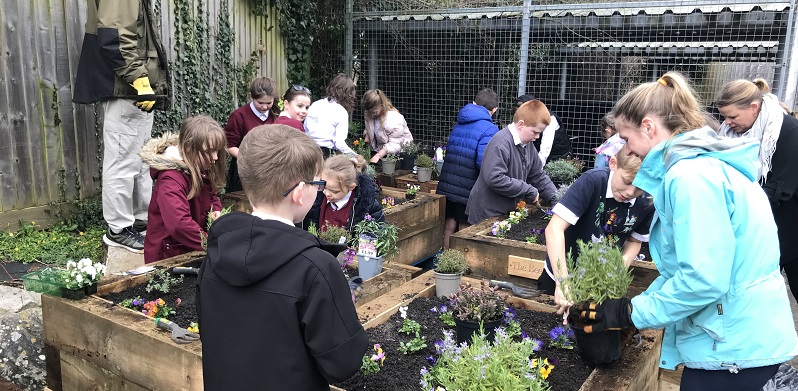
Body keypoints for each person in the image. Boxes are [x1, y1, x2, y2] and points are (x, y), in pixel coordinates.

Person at [574, 72, 798, 390]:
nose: (625, 148)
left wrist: (628, 314)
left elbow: (703, 280)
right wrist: (629, 310)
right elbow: (686, 269)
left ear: (649, 127)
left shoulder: (692, 178)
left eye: (626, 138)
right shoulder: (702, 166)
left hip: (733, 341)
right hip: (739, 330)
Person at [198, 124, 368, 389]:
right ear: (299, 192)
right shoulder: (316, 269)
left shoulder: (216, 254)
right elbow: (343, 363)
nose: (321, 191)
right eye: (318, 184)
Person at [72, 0, 170, 252]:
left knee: (140, 161)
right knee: (122, 163)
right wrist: (139, 79)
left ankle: (138, 222)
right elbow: (113, 37)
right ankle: (118, 229)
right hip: (127, 88)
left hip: (133, 91)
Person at [541, 144, 654, 307]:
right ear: (613, 164)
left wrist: (619, 267)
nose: (630, 192)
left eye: (640, 188)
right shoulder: (593, 181)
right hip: (562, 273)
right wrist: (563, 283)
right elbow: (554, 229)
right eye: (627, 181)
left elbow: (634, 241)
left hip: (600, 283)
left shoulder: (647, 201)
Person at [716, 78, 798, 299]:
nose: (727, 122)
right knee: (754, 293)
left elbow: (780, 188)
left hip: (788, 223)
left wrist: (733, 207)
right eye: (724, 116)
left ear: (754, 108)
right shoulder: (728, 133)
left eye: (732, 116)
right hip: (756, 221)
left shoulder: (787, 130)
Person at [139, 116, 226, 264]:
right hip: (167, 255)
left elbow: (212, 195)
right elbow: (179, 224)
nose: (215, 157)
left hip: (190, 245)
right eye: (210, 151)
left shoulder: (201, 166)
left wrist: (216, 210)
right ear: (188, 147)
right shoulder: (170, 179)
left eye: (217, 151)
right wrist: (211, 243)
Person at [465, 100, 558, 225]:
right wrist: (528, 190)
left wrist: (556, 199)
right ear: (520, 124)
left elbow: (537, 175)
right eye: (535, 132)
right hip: (487, 214)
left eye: (540, 133)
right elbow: (494, 178)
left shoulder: (528, 145)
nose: (537, 137)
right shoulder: (501, 143)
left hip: (504, 213)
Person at [436, 88, 500, 248]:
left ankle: (445, 259)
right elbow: (482, 161)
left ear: (473, 103)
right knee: (465, 226)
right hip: (468, 187)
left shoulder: (460, 123)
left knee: (449, 223)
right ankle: (461, 264)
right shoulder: (490, 129)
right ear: (494, 110)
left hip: (448, 183)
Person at [224, 77, 280, 193]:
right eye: (260, 103)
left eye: (269, 103)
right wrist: (250, 159)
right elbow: (229, 146)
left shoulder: (277, 115)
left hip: (271, 170)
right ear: (251, 97)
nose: (264, 107)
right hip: (244, 171)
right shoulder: (239, 116)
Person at [303, 154, 385, 233]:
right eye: (324, 187)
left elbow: (376, 232)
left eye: (335, 191)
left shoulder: (366, 205)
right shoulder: (316, 199)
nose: (327, 194)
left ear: (351, 187)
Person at [305, 74, 357, 157]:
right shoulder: (341, 112)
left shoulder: (315, 105)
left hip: (307, 150)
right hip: (325, 154)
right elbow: (339, 144)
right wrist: (355, 156)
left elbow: (306, 130)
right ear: (348, 94)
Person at [514, 94, 571, 165]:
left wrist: (535, 170)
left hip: (557, 159)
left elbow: (545, 150)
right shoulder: (525, 119)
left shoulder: (549, 119)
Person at [362, 89, 414, 163]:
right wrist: (367, 134)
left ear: (382, 105)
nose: (371, 115)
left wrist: (378, 156)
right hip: (383, 153)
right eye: (369, 112)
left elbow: (395, 144)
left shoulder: (393, 119)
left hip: (400, 156)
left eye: (374, 112)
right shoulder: (370, 114)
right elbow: (371, 126)